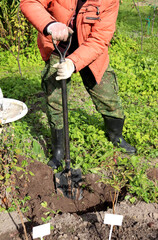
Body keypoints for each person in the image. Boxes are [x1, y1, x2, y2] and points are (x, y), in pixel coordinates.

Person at [20, 0, 136, 169]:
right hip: (58, 47)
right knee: (55, 100)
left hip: (91, 52)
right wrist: (50, 25)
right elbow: (30, 2)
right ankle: (59, 150)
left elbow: (100, 38)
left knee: (108, 96)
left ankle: (116, 136)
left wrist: (73, 63)